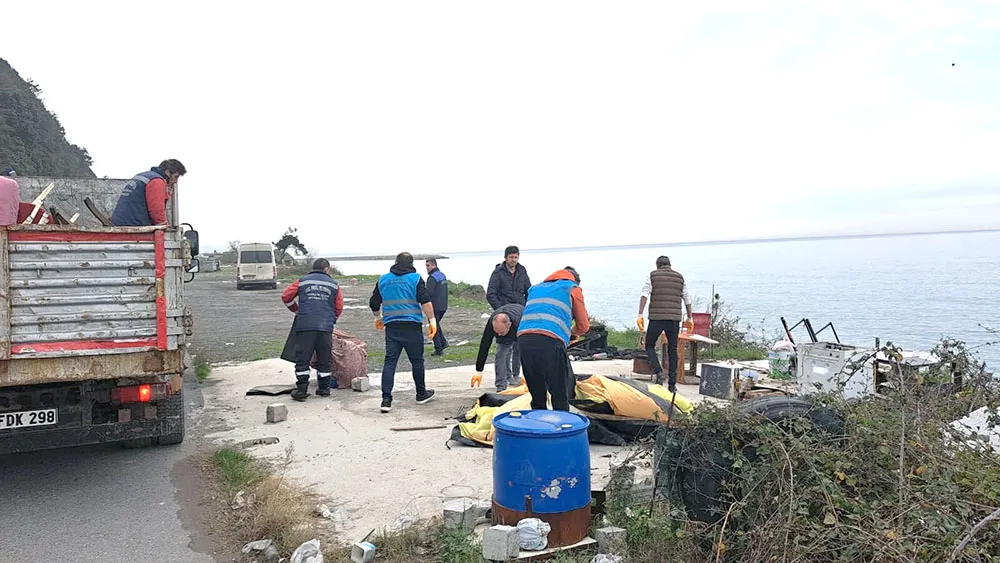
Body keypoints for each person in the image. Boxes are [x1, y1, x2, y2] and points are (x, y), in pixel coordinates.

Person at [370, 252, 438, 413]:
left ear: (395, 262)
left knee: (390, 362)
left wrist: (377, 318)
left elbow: (374, 302)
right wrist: (432, 321)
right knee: (417, 361)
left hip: (392, 327)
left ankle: (386, 400)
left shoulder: (384, 279)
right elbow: (425, 301)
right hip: (412, 326)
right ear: (411, 264)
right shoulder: (415, 279)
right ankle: (421, 394)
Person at [517, 267, 589, 411]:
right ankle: (562, 423)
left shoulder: (535, 288)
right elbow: (583, 326)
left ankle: (538, 422)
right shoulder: (572, 288)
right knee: (559, 393)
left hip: (524, 340)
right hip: (550, 342)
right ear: (575, 280)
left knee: (537, 394)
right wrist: (572, 333)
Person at [281, 258, 344, 401]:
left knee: (303, 359)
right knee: (324, 358)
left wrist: (296, 310)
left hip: (305, 325)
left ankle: (302, 390)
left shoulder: (302, 281)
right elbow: (339, 306)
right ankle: (324, 389)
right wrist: (332, 319)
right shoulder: (334, 284)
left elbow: (286, 296)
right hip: (325, 326)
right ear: (327, 269)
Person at [636, 256, 692, 392]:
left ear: (657, 265)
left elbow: (644, 295)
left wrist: (640, 314)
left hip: (656, 318)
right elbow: (687, 298)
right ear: (670, 265)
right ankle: (672, 384)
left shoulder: (652, 276)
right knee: (672, 349)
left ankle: (659, 372)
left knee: (649, 345)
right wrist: (690, 317)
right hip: (674, 319)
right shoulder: (680, 277)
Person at [486, 245, 531, 382]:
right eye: (511, 257)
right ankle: (507, 376)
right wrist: (501, 310)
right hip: (504, 314)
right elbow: (491, 294)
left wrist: (528, 307)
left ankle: (516, 375)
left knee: (519, 346)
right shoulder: (498, 273)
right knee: (505, 347)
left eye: (516, 257)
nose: (513, 260)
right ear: (506, 258)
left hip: (520, 312)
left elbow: (528, 290)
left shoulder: (522, 271)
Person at [111, 159, 187, 226]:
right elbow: (156, 210)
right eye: (176, 177)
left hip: (120, 223)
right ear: (167, 172)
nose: (175, 181)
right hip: (133, 225)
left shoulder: (144, 176)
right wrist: (164, 228)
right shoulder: (157, 181)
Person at [471, 303, 524, 391]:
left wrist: (527, 375)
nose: (499, 334)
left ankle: (520, 377)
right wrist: (479, 371)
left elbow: (529, 351)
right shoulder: (492, 324)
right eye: (496, 332)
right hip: (508, 331)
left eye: (501, 332)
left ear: (509, 325)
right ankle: (501, 386)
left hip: (520, 327)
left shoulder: (520, 322)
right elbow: (484, 345)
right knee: (500, 355)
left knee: (521, 351)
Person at [425, 258, 449, 356]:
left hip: (434, 306)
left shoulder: (432, 278)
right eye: (426, 266)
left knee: (433, 326)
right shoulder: (442, 275)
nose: (426, 268)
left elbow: (429, 293)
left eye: (428, 265)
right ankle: (443, 343)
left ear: (434, 265)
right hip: (443, 305)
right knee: (436, 325)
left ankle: (438, 349)